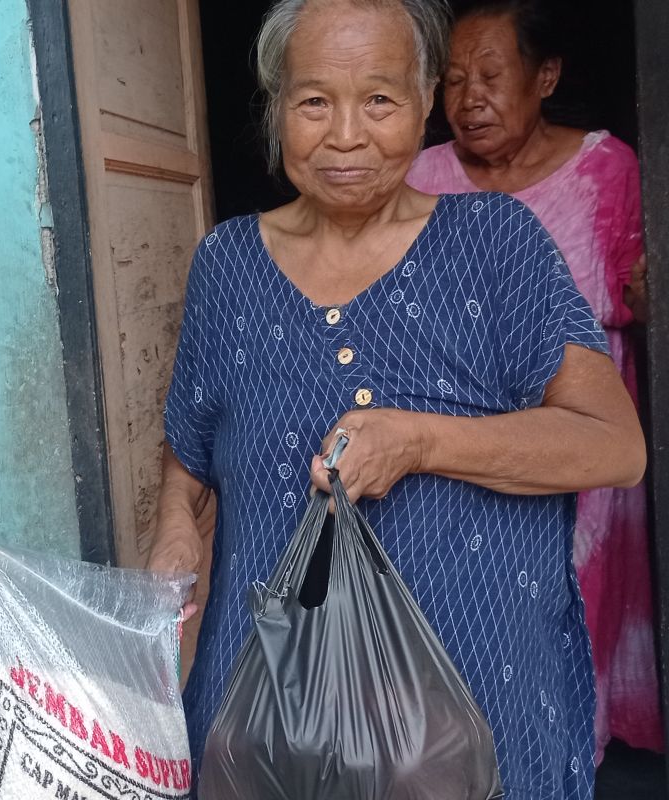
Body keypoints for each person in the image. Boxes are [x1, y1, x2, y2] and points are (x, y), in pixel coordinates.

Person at [145, 0, 645, 796]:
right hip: (277, 716)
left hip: (483, 710)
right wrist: (175, 528)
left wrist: (419, 442)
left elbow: (614, 446)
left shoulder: (494, 243)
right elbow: (194, 444)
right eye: (314, 101)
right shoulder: (228, 263)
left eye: (379, 99)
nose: (345, 134)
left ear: (423, 104)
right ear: (278, 110)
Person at [405, 0, 658, 760]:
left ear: (545, 76)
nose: (469, 99)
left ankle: (566, 752)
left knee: (569, 601)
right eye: (452, 82)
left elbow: (637, 292)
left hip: (579, 432)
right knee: (465, 611)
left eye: (490, 75)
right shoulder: (423, 175)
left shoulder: (607, 169)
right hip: (454, 439)